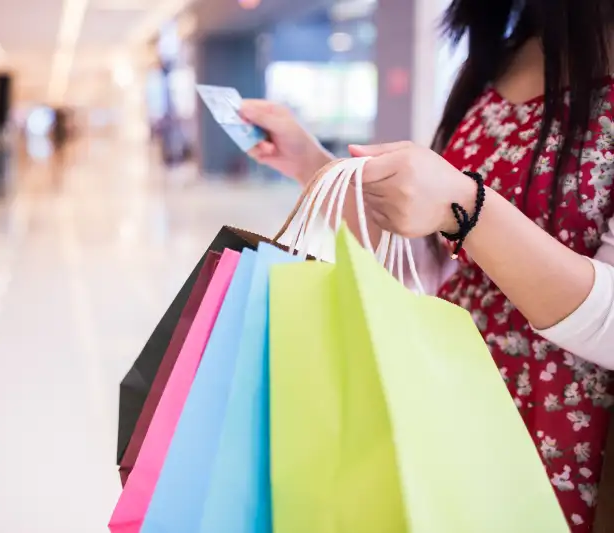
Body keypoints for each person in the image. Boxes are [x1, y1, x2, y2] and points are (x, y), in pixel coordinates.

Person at [240, 0, 614, 530]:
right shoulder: (500, 54)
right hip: (446, 378)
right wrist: (312, 164)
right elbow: (435, 255)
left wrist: (465, 207)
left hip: (556, 419)